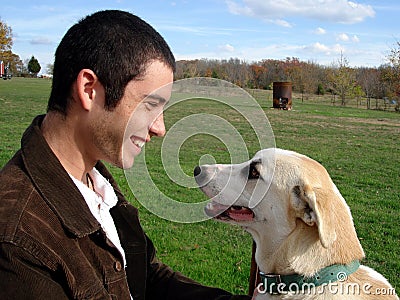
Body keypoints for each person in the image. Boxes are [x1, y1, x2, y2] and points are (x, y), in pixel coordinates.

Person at [0, 10, 251, 300]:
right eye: (150, 105)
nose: (160, 128)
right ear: (89, 90)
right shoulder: (18, 242)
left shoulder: (92, 179)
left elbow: (145, 277)